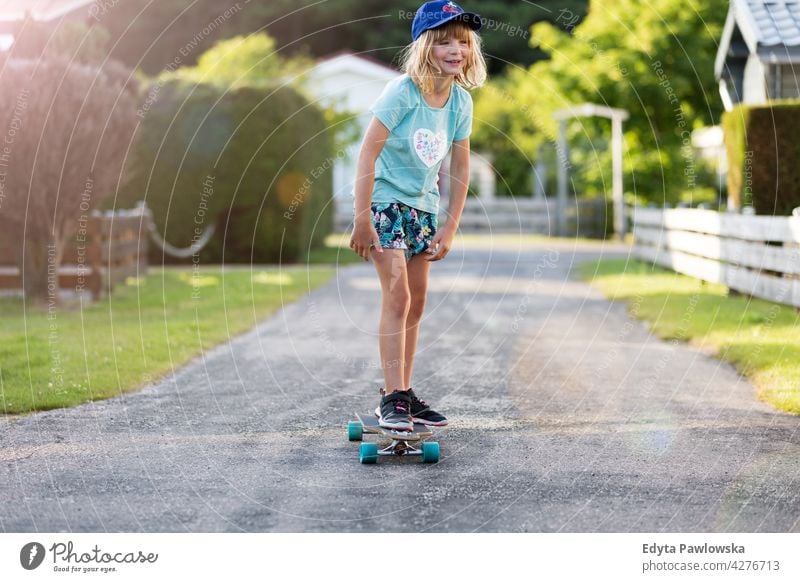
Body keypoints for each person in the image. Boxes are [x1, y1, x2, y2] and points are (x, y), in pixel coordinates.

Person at [349, 1, 487, 431]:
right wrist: (361, 218)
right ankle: (391, 398)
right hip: (385, 205)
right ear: (426, 45)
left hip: (424, 208)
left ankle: (404, 394)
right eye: (444, 41)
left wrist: (449, 225)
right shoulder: (402, 92)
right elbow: (368, 151)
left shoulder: (460, 101)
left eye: (462, 42)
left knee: (417, 303)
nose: (455, 50)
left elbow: (461, 168)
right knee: (398, 297)